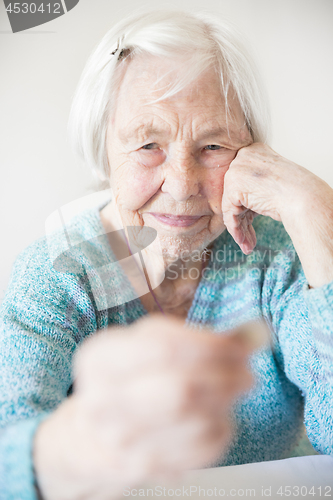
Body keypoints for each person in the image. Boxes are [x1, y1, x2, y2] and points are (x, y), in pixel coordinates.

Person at [1, 9, 333, 500]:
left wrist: (315, 213)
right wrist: (78, 447)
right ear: (103, 146)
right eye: (148, 144)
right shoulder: (59, 273)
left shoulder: (278, 257)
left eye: (213, 145)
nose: (181, 186)